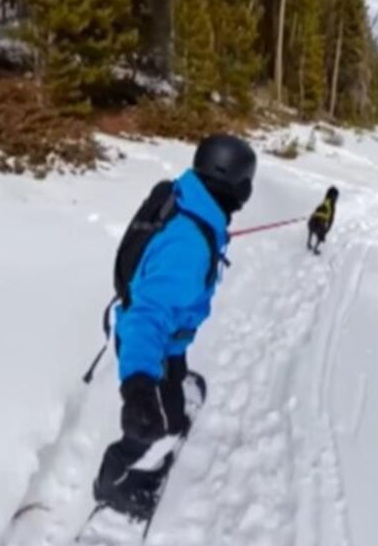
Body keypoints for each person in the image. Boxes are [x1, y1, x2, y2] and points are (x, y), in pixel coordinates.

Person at [93, 134, 257, 519]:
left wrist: (213, 235)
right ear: (236, 184)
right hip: (148, 343)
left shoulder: (193, 203)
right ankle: (114, 481)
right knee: (156, 423)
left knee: (172, 395)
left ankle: (171, 403)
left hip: (167, 341)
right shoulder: (189, 246)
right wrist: (138, 389)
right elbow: (147, 317)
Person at [307, 186, 339, 255]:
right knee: (321, 234)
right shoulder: (331, 206)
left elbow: (316, 212)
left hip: (311, 223)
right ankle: (315, 249)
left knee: (313, 230)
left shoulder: (324, 202)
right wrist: (326, 231)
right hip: (318, 225)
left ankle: (309, 243)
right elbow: (330, 220)